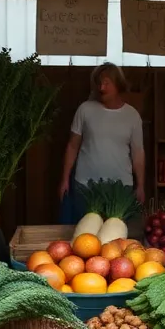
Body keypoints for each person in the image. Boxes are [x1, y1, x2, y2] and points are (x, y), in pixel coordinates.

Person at [59, 62, 145, 222]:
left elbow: (138, 153)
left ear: (118, 85)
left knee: (116, 240)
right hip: (85, 187)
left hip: (120, 189)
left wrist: (140, 185)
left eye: (107, 83)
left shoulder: (132, 115)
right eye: (99, 83)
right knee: (85, 239)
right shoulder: (85, 110)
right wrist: (65, 179)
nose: (101, 87)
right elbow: (72, 146)